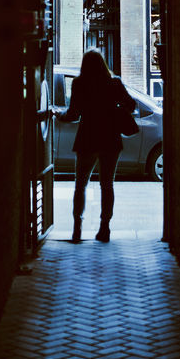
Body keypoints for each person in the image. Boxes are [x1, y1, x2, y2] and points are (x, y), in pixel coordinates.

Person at [54, 49, 137, 242]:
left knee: (80, 185)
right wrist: (116, 111)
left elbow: (73, 114)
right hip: (110, 138)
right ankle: (104, 228)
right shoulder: (114, 83)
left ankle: (77, 229)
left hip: (88, 138)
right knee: (107, 185)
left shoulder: (80, 83)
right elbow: (131, 105)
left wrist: (59, 115)